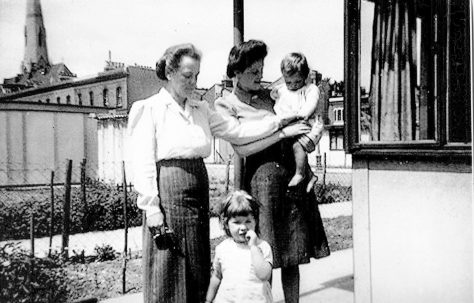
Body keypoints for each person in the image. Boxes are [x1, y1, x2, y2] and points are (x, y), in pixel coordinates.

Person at [127, 43, 310, 303]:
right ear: (170, 73)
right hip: (167, 190)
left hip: (197, 189)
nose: (193, 82)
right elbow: (142, 161)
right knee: (167, 264)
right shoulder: (150, 108)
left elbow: (237, 131)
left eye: (197, 76)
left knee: (196, 263)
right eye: (187, 76)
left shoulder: (201, 109)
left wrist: (278, 123)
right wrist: (151, 207)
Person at [215, 40, 330, 303]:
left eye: (261, 70)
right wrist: (282, 133)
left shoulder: (272, 94)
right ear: (236, 73)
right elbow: (242, 147)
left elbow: (308, 114)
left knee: (292, 253)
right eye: (253, 72)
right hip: (261, 181)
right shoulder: (226, 104)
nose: (260, 77)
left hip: (291, 174)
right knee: (264, 251)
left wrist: (310, 136)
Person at [205, 190, 273, 303]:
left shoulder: (262, 247)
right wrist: (208, 299)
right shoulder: (223, 248)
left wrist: (253, 247)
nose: (243, 227)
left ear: (255, 222)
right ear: (226, 224)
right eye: (237, 222)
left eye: (248, 221)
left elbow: (264, 275)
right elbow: (217, 276)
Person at [271, 52, 324, 188]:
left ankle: (301, 174)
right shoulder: (283, 89)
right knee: (289, 146)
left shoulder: (310, 89)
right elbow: (274, 94)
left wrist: (302, 114)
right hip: (295, 125)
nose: (293, 85)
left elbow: (311, 104)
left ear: (305, 77)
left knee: (297, 146)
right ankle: (311, 175)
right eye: (289, 82)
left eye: (297, 81)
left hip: (310, 126)